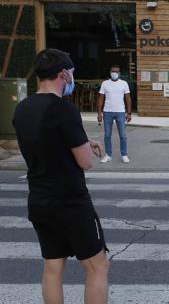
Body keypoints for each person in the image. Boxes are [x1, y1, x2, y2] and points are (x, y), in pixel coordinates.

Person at [12, 48, 110, 304]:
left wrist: (83, 139)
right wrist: (86, 146)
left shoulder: (22, 109)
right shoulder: (64, 110)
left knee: (53, 268)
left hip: (40, 200)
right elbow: (85, 162)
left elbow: (46, 139)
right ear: (63, 74)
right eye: (72, 73)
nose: (72, 79)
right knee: (97, 266)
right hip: (70, 202)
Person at [97, 64, 132, 163]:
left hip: (120, 112)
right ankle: (108, 155)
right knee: (107, 135)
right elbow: (101, 98)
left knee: (123, 135)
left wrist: (129, 113)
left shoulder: (124, 84)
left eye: (116, 72)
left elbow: (128, 98)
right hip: (107, 112)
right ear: (110, 72)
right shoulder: (105, 84)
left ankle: (124, 154)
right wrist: (99, 113)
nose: (114, 73)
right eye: (113, 71)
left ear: (119, 73)